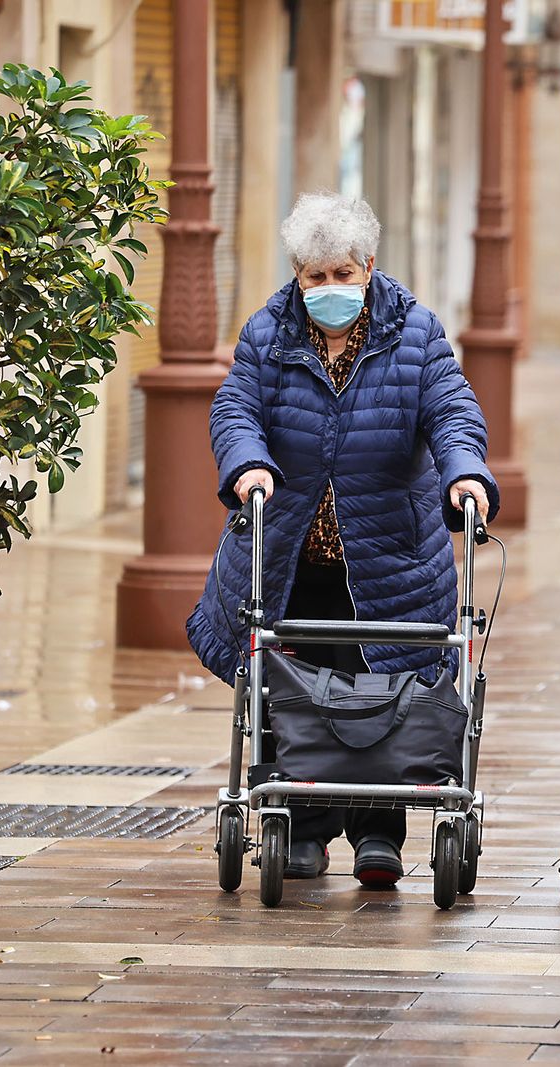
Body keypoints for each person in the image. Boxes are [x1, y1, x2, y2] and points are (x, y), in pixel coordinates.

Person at [187, 192, 497, 887]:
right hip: (292, 557)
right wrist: (248, 462)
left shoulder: (415, 331)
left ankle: (378, 831)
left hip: (389, 557)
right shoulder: (268, 332)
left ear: (369, 268)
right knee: (293, 690)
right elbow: (234, 404)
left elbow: (452, 410)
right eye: (314, 278)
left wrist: (465, 475)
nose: (330, 290)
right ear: (297, 276)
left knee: (386, 692)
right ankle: (300, 824)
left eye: (343, 275)